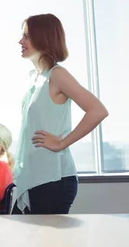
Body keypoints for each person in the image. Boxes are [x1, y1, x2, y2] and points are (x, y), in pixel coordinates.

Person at [13, 13, 108, 214]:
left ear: (43, 38)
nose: (21, 41)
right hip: (33, 178)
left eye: (27, 36)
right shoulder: (33, 79)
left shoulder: (57, 75)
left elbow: (97, 110)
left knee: (51, 246)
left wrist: (62, 142)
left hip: (53, 179)